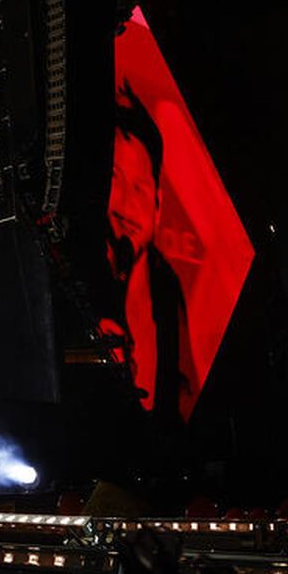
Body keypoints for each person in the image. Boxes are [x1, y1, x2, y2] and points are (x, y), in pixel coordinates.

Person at [99, 81, 190, 421]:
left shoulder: (167, 294)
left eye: (139, 188)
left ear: (157, 201)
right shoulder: (95, 277)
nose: (125, 205)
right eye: (116, 180)